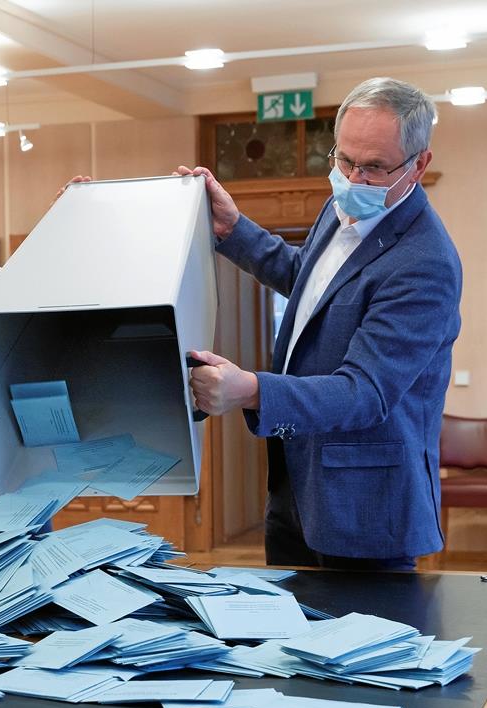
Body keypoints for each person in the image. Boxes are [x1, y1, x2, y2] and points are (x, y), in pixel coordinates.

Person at [179, 77, 463, 571]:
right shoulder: (340, 210)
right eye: (344, 160)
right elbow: (310, 282)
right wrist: (233, 230)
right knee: (288, 646)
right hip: (296, 484)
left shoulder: (425, 262)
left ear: (419, 164)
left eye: (374, 167)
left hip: (365, 509)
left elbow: (364, 393)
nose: (353, 179)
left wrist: (251, 390)